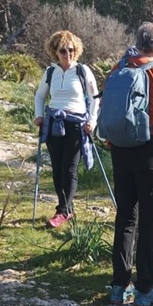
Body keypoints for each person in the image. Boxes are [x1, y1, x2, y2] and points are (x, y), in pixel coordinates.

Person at [107, 22, 153, 306]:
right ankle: (146, 288)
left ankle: (119, 285)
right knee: (150, 221)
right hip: (151, 151)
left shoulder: (119, 68)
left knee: (125, 217)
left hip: (121, 149)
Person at [33, 30, 100, 228]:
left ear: (76, 50)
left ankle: (63, 210)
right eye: (63, 50)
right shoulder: (50, 72)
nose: (67, 54)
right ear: (55, 51)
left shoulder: (82, 71)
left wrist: (92, 121)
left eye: (71, 50)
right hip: (54, 123)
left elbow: (95, 98)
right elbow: (40, 96)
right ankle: (66, 208)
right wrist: (39, 115)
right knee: (57, 168)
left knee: (69, 168)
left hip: (76, 124)